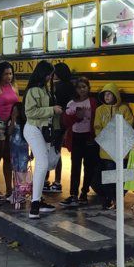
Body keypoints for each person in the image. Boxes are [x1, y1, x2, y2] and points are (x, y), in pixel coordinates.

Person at [23, 60, 63, 219]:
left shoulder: (43, 89)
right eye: (49, 74)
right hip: (34, 128)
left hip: (44, 130)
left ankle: (37, 200)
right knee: (43, 163)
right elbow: (30, 113)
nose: (50, 77)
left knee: (45, 163)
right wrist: (52, 109)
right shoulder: (34, 90)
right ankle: (34, 205)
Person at [59, 77, 99, 207]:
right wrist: (77, 116)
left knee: (89, 166)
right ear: (75, 89)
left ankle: (84, 192)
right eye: (79, 87)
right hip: (76, 137)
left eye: (84, 87)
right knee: (75, 166)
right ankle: (73, 194)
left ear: (88, 88)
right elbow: (65, 121)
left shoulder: (92, 102)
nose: (82, 90)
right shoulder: (72, 103)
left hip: (89, 137)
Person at [94, 82, 134, 210]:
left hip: (122, 150)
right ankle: (111, 198)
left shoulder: (124, 109)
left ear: (116, 95)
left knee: (121, 176)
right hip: (107, 150)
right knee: (109, 175)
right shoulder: (100, 110)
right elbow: (97, 127)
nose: (107, 97)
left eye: (110, 94)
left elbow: (129, 124)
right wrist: (106, 138)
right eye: (105, 94)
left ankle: (117, 198)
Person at [45, 62, 74, 193]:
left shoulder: (57, 87)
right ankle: (57, 181)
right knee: (57, 151)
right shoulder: (70, 86)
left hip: (55, 122)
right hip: (64, 123)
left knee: (49, 150)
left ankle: (47, 180)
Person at [0, 61, 19, 199]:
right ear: (0, 75)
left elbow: (16, 106)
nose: (9, 76)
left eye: (10, 73)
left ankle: (9, 188)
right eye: (6, 74)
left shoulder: (14, 87)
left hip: (11, 124)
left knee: (8, 158)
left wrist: (13, 122)